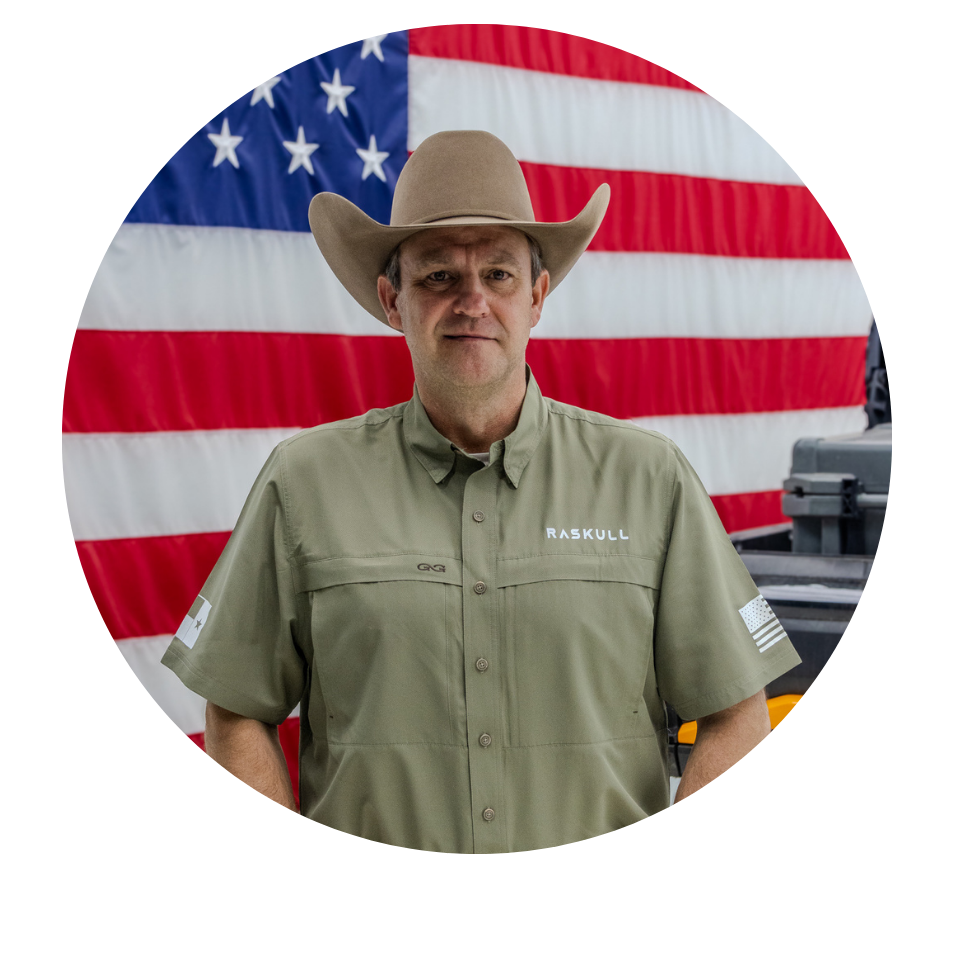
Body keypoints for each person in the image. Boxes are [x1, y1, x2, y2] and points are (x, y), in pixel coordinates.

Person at [160, 130, 802, 852]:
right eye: (437, 276)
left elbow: (738, 711)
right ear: (391, 300)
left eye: (497, 275)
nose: (471, 302)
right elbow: (236, 711)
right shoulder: (301, 483)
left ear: (536, 296)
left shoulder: (649, 479)